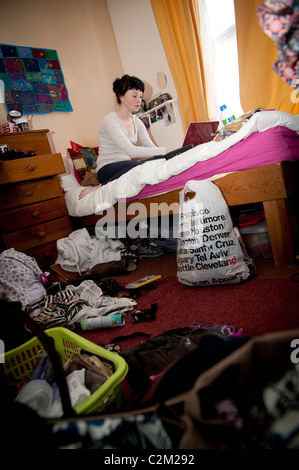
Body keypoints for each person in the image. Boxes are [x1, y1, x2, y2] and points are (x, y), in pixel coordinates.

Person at [96, 74, 179, 186]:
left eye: (140, 96)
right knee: (138, 167)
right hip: (107, 168)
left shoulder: (137, 122)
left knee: (159, 161)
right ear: (121, 96)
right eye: (134, 96)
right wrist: (166, 150)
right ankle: (101, 187)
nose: (139, 100)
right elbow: (132, 151)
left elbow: (152, 148)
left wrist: (169, 154)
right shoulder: (110, 120)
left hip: (126, 164)